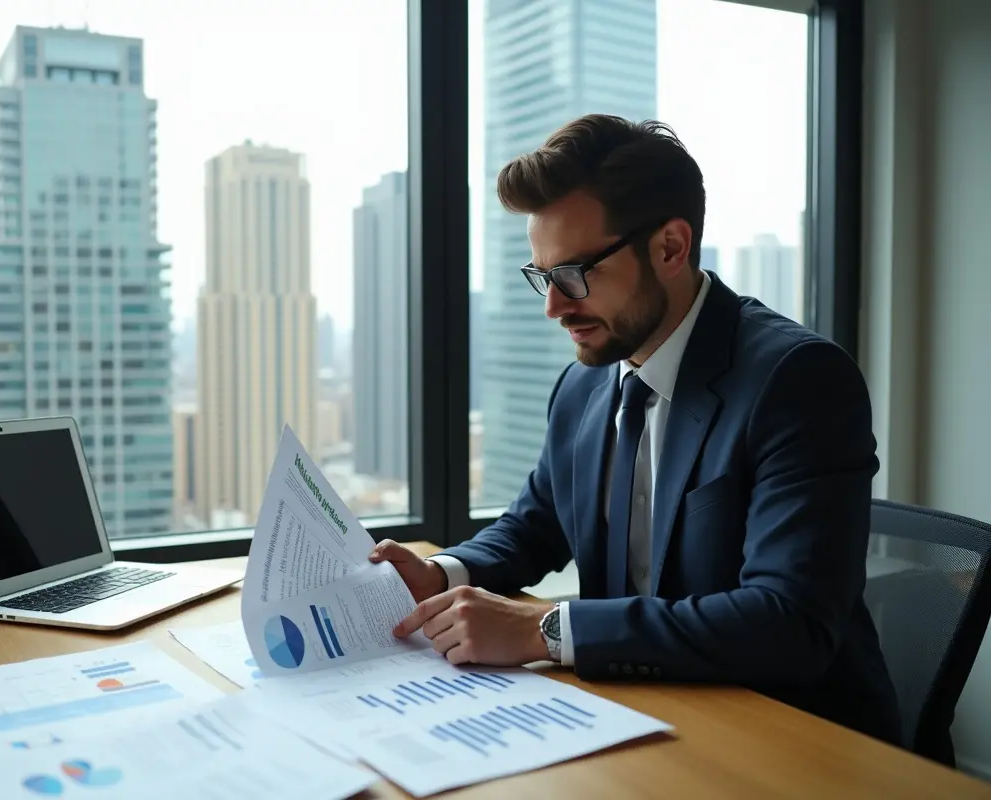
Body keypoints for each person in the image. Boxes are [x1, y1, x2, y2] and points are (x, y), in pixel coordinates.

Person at [370, 114, 901, 745]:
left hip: (794, 738)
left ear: (671, 247)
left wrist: (545, 628)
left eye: (573, 274)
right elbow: (535, 524)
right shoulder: (586, 383)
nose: (554, 306)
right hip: (639, 712)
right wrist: (445, 573)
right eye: (542, 276)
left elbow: (788, 623)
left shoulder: (798, 381)